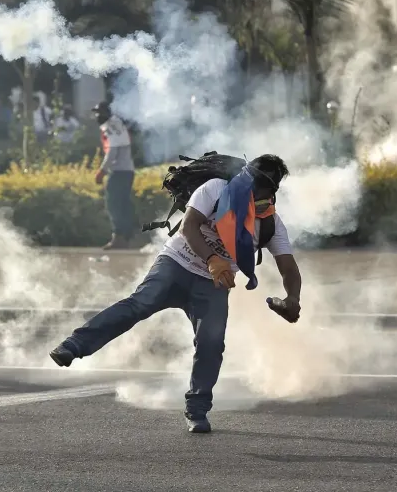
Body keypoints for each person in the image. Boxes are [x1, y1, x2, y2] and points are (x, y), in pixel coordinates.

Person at [49, 154, 303, 433]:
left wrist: (293, 299)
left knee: (211, 343)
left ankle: (197, 410)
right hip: (176, 264)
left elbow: (288, 268)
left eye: (257, 185)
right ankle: (74, 345)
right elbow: (189, 227)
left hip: (212, 284)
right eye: (247, 178)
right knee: (139, 304)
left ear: (270, 192)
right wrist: (212, 259)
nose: (248, 187)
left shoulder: (270, 225)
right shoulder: (216, 189)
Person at [91, 101, 136, 250]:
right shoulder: (116, 124)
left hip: (119, 172)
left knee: (114, 204)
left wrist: (102, 171)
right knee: (123, 205)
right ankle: (126, 238)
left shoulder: (112, 126)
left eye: (99, 113)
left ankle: (119, 237)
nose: (97, 116)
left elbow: (112, 152)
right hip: (127, 171)